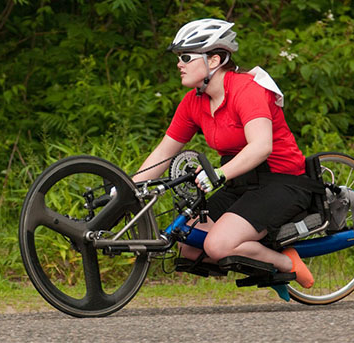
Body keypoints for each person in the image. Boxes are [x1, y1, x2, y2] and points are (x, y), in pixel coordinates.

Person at [131, 18, 314, 288]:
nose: (178, 64)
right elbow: (164, 152)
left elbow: (262, 146)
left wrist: (219, 173)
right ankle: (260, 259)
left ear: (214, 60)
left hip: (282, 181)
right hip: (240, 183)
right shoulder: (194, 101)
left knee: (218, 246)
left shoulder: (246, 90)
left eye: (185, 56)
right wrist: (127, 188)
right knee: (188, 244)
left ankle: (287, 264)